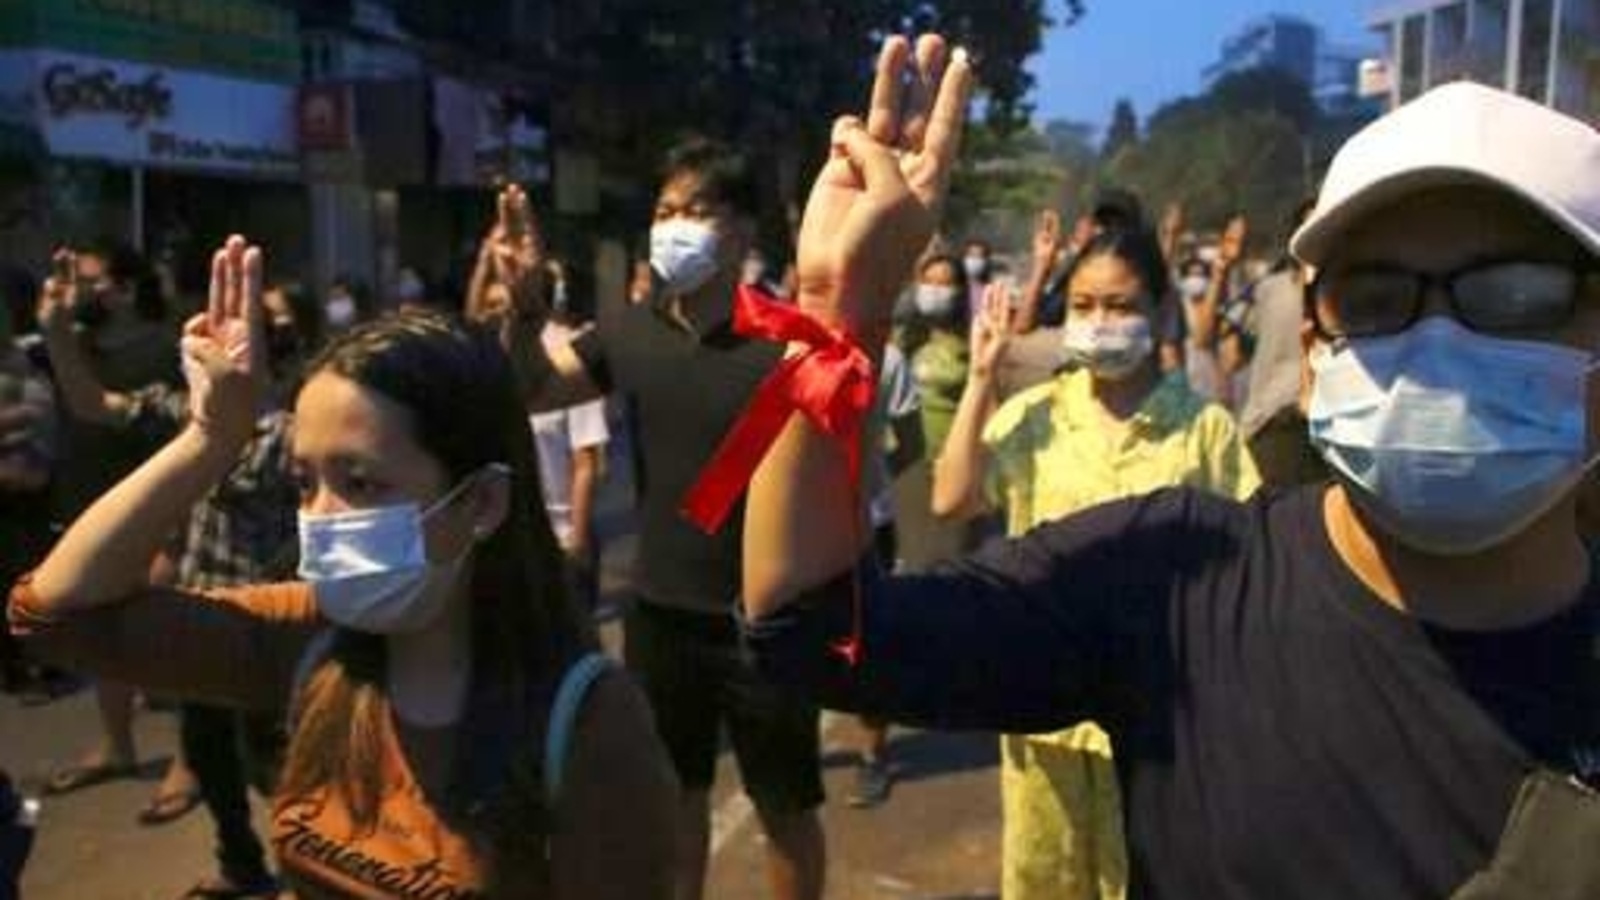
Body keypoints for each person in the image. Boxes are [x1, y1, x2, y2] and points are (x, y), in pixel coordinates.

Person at [741, 46, 1600, 900]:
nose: (1437, 347)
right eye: (1377, 299)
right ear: (1311, 357)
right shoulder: (1174, 581)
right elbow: (810, 626)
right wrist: (835, 313)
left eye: (1518, 294)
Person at [10, 236, 679, 898]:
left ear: (481, 502)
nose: (323, 514)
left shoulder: (589, 722)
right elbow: (54, 613)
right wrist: (212, 438)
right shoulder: (309, 638)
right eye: (306, 482)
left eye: (360, 483)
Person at [468, 146, 827, 900]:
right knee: (673, 799)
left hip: (767, 619)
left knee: (785, 808)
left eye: (697, 211)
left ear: (742, 232)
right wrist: (526, 304)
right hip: (661, 615)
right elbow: (530, 389)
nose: (675, 228)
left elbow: (833, 486)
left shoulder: (789, 342)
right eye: (665, 212)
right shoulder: (631, 333)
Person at [933, 234, 1259, 900]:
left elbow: (1252, 558)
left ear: (1160, 309)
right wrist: (980, 381)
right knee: (1045, 883)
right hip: (1041, 704)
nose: (1100, 322)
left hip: (1163, 715)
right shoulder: (1034, 417)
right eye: (1084, 305)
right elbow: (952, 497)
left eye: (1120, 304)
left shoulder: (1205, 430)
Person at [39, 259, 323, 897]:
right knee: (211, 762)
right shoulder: (191, 414)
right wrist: (57, 331)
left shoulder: (308, 427)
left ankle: (321, 870)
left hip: (269, 631)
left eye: (268, 320)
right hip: (200, 612)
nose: (250, 331)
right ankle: (241, 867)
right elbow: (94, 405)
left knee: (278, 770)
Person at [34, 246, 201, 827]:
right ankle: (116, 744)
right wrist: (55, 330)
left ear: (126, 288)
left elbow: (185, 430)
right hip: (90, 500)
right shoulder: (74, 346)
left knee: (170, 640)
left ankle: (190, 760)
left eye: (88, 280)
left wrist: (179, 522)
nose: (77, 291)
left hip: (159, 508)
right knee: (101, 631)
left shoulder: (166, 349)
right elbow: (84, 406)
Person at [529, 259, 610, 614]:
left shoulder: (572, 355)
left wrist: (576, 540)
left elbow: (585, 463)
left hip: (560, 535)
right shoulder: (496, 359)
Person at [892, 253, 979, 571]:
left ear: (960, 290)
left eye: (945, 283)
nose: (935, 290)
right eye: (928, 282)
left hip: (951, 462)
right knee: (911, 558)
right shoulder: (902, 338)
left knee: (950, 558)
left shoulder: (973, 342)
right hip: (907, 464)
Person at [1237, 199, 1329, 489]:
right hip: (1272, 424)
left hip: (1329, 430)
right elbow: (1232, 341)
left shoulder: (1355, 295)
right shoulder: (1270, 290)